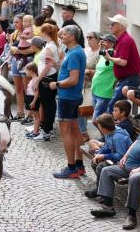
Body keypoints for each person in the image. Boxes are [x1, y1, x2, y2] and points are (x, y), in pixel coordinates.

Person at [89, 103, 140, 230]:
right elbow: (136, 143)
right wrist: (125, 156)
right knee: (106, 170)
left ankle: (131, 215)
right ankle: (108, 207)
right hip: (127, 164)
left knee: (134, 179)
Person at [50, 25, 86, 178]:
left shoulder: (73, 54)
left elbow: (73, 79)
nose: (61, 36)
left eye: (65, 34)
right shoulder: (76, 51)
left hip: (67, 97)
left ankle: (71, 168)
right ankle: (79, 165)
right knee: (75, 130)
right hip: (73, 96)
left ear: (72, 36)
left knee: (66, 133)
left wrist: (56, 84)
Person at [84, 113, 132, 196]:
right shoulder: (109, 133)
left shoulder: (118, 137)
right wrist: (99, 154)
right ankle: (100, 189)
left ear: (103, 127)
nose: (98, 128)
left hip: (125, 164)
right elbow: (107, 146)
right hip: (117, 159)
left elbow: (120, 156)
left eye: (99, 126)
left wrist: (104, 156)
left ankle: (103, 192)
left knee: (100, 166)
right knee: (95, 162)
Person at [106, 14, 140, 113]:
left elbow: (123, 62)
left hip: (129, 79)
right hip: (126, 79)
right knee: (120, 108)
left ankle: (115, 127)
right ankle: (119, 126)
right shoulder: (122, 39)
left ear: (121, 26)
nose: (110, 26)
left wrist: (110, 58)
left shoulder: (125, 40)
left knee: (113, 106)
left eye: (113, 24)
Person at [31, 23, 59, 141]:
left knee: (48, 105)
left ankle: (47, 131)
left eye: (41, 32)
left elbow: (48, 66)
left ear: (44, 32)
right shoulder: (50, 45)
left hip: (47, 78)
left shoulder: (50, 47)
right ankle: (48, 129)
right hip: (48, 77)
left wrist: (38, 79)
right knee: (48, 104)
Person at [78, 31, 100, 143]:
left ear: (97, 39)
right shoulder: (85, 51)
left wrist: (88, 71)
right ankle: (83, 132)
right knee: (81, 109)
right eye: (87, 37)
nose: (88, 40)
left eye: (90, 37)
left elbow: (102, 71)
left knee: (92, 110)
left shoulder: (100, 53)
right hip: (82, 84)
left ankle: (102, 135)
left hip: (94, 85)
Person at [90, 34, 117, 123]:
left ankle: (107, 136)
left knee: (97, 120)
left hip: (105, 93)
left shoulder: (114, 56)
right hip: (95, 90)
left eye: (104, 41)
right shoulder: (103, 54)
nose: (102, 43)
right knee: (100, 120)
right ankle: (105, 136)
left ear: (112, 43)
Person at [24, 63, 40, 139]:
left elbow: (37, 92)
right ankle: (34, 130)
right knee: (34, 116)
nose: (25, 72)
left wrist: (34, 101)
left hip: (33, 98)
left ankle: (36, 132)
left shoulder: (35, 80)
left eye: (26, 70)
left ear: (31, 71)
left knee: (36, 116)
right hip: (30, 97)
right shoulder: (32, 79)